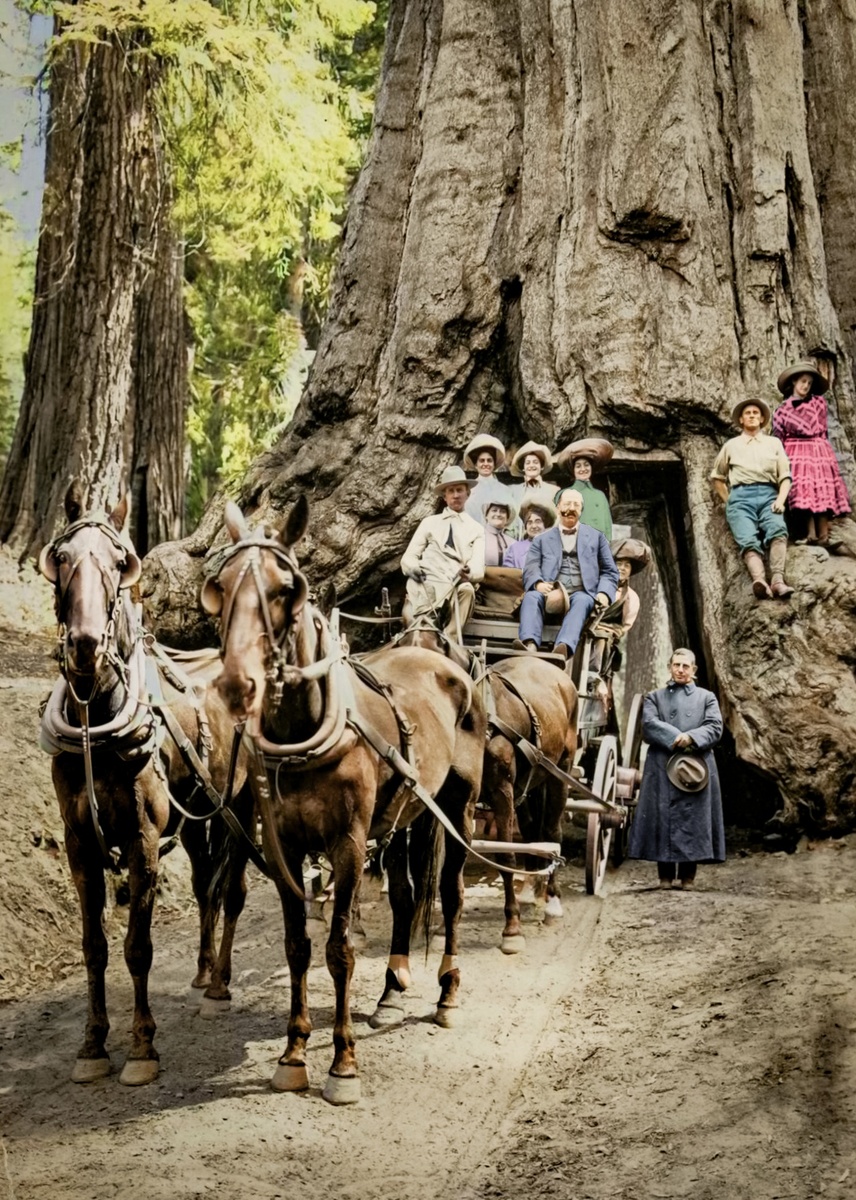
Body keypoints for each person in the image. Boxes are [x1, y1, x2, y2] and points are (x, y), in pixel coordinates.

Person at [628, 647, 725, 890]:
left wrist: (691, 738)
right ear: (670, 667)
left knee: (693, 818)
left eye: (685, 666)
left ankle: (688, 878)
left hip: (696, 765)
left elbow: (715, 727)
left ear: (694, 670)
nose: (680, 670)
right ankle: (665, 877)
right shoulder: (655, 697)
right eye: (676, 665)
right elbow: (649, 725)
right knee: (662, 817)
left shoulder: (707, 697)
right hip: (662, 765)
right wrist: (675, 736)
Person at [514, 488, 618, 661]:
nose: (571, 508)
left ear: (581, 511)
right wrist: (538, 583)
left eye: (576, 504)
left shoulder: (597, 538)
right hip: (550, 592)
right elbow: (530, 568)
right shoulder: (541, 539)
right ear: (558, 508)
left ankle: (562, 649)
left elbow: (610, 571)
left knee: (583, 600)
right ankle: (530, 645)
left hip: (582, 593)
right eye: (567, 503)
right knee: (531, 596)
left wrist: (604, 593)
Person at [710, 397, 795, 599]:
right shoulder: (731, 445)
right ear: (741, 419)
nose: (752, 416)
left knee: (777, 530)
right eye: (747, 413)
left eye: (756, 413)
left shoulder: (773, 443)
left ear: (762, 418)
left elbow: (785, 477)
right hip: (740, 496)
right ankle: (759, 581)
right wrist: (729, 500)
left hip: (769, 494)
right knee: (747, 539)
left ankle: (777, 581)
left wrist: (780, 501)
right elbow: (717, 477)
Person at [772, 361, 851, 546]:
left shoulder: (819, 403)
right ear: (793, 382)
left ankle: (824, 536)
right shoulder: (782, 410)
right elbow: (779, 436)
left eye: (809, 383)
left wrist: (823, 447)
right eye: (802, 381)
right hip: (796, 451)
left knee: (822, 488)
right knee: (803, 489)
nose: (806, 386)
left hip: (818, 449)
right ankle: (810, 534)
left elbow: (823, 429)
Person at [401, 465, 485, 634]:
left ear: (467, 493)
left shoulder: (476, 528)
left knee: (467, 590)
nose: (455, 495)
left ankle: (449, 638)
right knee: (414, 590)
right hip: (428, 578)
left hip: (455, 582)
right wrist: (413, 568)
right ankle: (419, 632)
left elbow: (478, 566)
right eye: (451, 491)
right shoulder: (429, 522)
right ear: (444, 497)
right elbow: (408, 557)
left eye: (460, 490)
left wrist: (468, 573)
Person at [589, 537, 650, 674]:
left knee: (601, 639)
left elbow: (624, 626)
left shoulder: (631, 597)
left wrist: (608, 630)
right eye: (619, 563)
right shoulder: (594, 585)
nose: (622, 568)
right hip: (586, 627)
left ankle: (593, 675)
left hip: (606, 634)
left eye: (626, 565)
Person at [555, 438, 614, 537]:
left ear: (591, 468)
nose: (583, 469)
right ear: (573, 470)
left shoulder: (600, 495)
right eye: (578, 466)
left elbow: (608, 526)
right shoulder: (565, 494)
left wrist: (606, 547)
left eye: (586, 465)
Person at [463, 434, 512, 524]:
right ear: (476, 465)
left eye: (489, 460)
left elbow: (511, 517)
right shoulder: (469, 490)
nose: (486, 464)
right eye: (482, 461)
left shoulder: (505, 490)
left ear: (494, 464)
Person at [508, 441, 557, 525]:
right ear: (523, 468)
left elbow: (558, 518)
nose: (531, 465)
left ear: (541, 467)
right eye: (527, 463)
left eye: (535, 462)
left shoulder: (554, 490)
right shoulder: (513, 491)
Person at [503, 498, 556, 569]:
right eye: (529, 522)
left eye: (538, 521)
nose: (533, 526)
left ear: (545, 524)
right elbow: (508, 574)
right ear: (525, 527)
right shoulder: (515, 549)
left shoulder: (555, 548)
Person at [483, 499, 517, 567]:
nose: (498, 514)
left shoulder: (513, 543)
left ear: (507, 518)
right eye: (494, 510)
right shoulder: (478, 537)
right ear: (486, 515)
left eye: (503, 511)